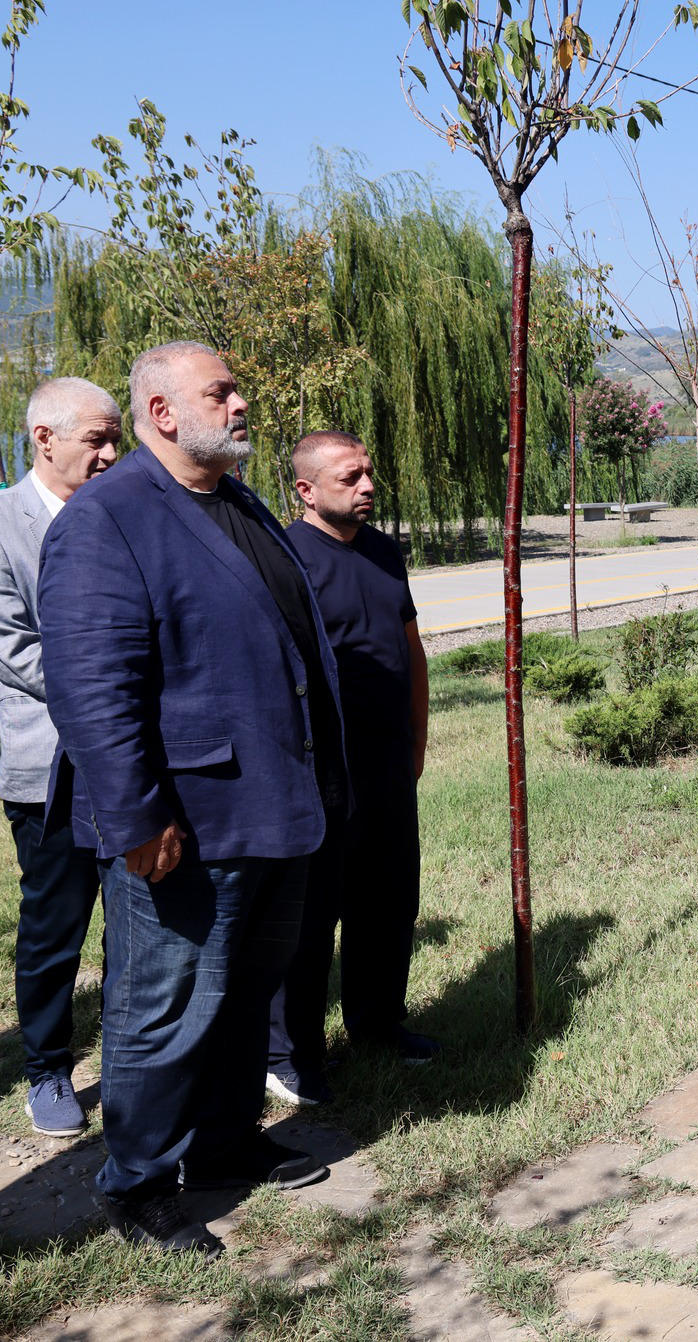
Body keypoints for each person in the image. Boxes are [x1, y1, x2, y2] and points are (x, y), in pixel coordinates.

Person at [39, 341, 345, 1258]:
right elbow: (92, 688)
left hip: (272, 805)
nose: (243, 401)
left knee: (246, 992)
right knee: (162, 1008)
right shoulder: (108, 519)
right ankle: (136, 1182)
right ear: (163, 413)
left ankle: (220, 1142)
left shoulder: (232, 499)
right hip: (186, 824)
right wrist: (137, 819)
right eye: (222, 390)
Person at [0, 378, 122, 1138]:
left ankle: (130, 1059)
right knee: (55, 926)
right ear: (44, 438)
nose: (114, 455)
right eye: (98, 440)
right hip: (52, 766)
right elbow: (12, 647)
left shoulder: (125, 514)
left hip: (136, 761)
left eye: (117, 439)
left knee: (140, 924)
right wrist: (124, 693)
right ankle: (47, 1067)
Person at [266, 430, 435, 1107]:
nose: (367, 486)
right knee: (311, 920)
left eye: (369, 472)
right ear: (306, 490)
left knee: (388, 900)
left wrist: (417, 741)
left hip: (388, 763)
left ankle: (378, 1022)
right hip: (319, 773)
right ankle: (291, 1054)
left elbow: (410, 648)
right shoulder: (283, 559)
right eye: (348, 477)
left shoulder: (385, 552)